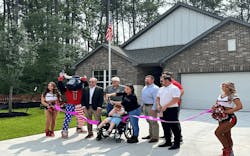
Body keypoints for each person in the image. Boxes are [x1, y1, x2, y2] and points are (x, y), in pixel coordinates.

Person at [212, 82, 243, 156]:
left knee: (218, 133)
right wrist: (214, 108)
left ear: (230, 88)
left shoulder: (233, 96)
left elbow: (240, 106)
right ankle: (230, 153)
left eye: (225, 86)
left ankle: (227, 151)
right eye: (222, 86)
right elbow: (217, 105)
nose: (223, 88)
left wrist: (228, 111)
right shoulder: (220, 96)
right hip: (221, 118)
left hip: (230, 118)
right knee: (227, 135)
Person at [58, 74, 87, 138]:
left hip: (79, 105)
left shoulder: (81, 89)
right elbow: (61, 87)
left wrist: (84, 81)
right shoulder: (67, 89)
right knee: (67, 118)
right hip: (70, 105)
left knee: (81, 118)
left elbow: (87, 87)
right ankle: (64, 131)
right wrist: (60, 81)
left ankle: (79, 128)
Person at [157, 74, 181, 150]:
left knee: (174, 127)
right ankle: (168, 141)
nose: (161, 82)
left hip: (172, 109)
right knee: (165, 126)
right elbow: (158, 98)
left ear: (167, 80)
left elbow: (176, 99)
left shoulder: (174, 88)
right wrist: (158, 105)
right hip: (162, 110)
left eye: (162, 81)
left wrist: (166, 106)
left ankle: (176, 143)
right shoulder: (161, 89)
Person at [161, 71, 184, 142]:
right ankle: (168, 135)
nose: (162, 78)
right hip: (165, 106)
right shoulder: (164, 84)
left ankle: (179, 137)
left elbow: (182, 90)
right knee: (166, 121)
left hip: (173, 105)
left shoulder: (175, 83)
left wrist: (176, 98)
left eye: (164, 76)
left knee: (174, 121)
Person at [141, 75, 159, 143]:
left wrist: (153, 109)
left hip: (152, 107)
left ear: (152, 80)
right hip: (145, 106)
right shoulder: (144, 88)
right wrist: (142, 106)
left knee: (153, 122)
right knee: (149, 121)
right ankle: (151, 134)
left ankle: (155, 137)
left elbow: (156, 100)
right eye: (145, 79)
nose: (146, 81)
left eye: (147, 79)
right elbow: (143, 98)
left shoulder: (155, 88)